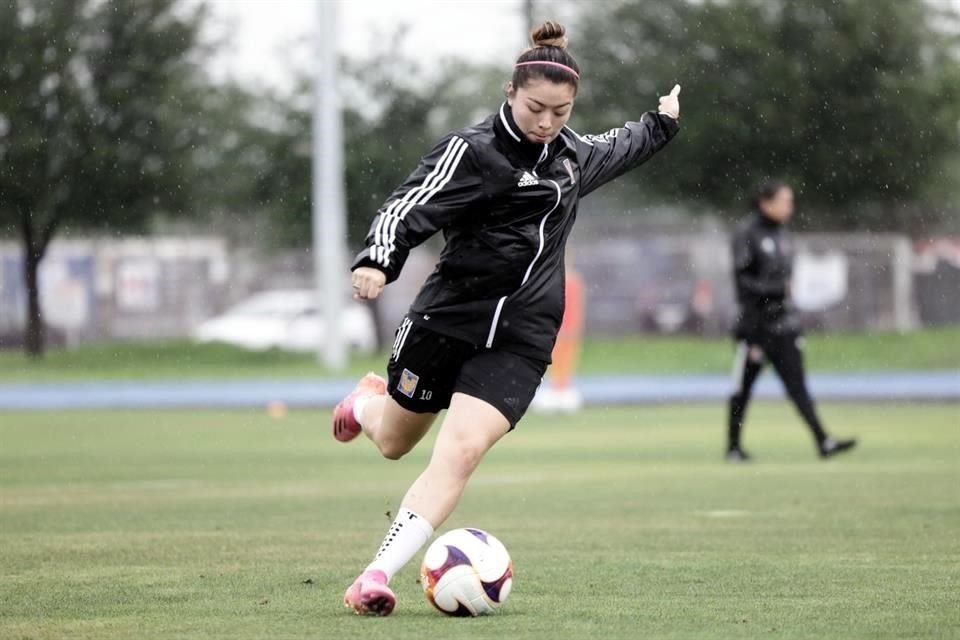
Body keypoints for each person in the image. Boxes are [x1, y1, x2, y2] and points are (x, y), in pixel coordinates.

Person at [333, 21, 681, 616]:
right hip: (446, 321)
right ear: (510, 92)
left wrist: (663, 123)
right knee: (392, 441)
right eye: (535, 108)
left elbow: (623, 147)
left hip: (521, 339)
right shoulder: (472, 152)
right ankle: (364, 403)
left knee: (461, 450)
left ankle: (374, 576)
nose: (547, 122)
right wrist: (377, 259)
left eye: (560, 111)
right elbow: (406, 204)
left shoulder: (572, 157)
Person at [726, 181, 857, 462]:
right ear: (765, 202)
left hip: (784, 325)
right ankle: (733, 447)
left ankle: (823, 441)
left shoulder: (783, 234)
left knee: (797, 386)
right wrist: (775, 292)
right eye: (785, 201)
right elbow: (743, 283)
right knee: (742, 389)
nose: (790, 207)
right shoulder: (747, 233)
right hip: (755, 328)